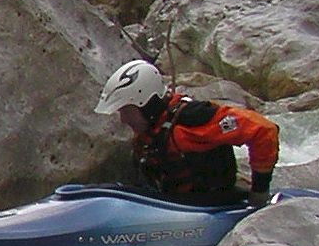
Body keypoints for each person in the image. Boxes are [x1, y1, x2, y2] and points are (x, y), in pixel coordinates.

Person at [95, 60, 280, 207]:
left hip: (210, 206)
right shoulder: (149, 132)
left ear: (146, 104)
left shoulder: (195, 120)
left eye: (127, 111)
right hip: (172, 205)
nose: (124, 120)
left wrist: (260, 191)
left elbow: (264, 130)